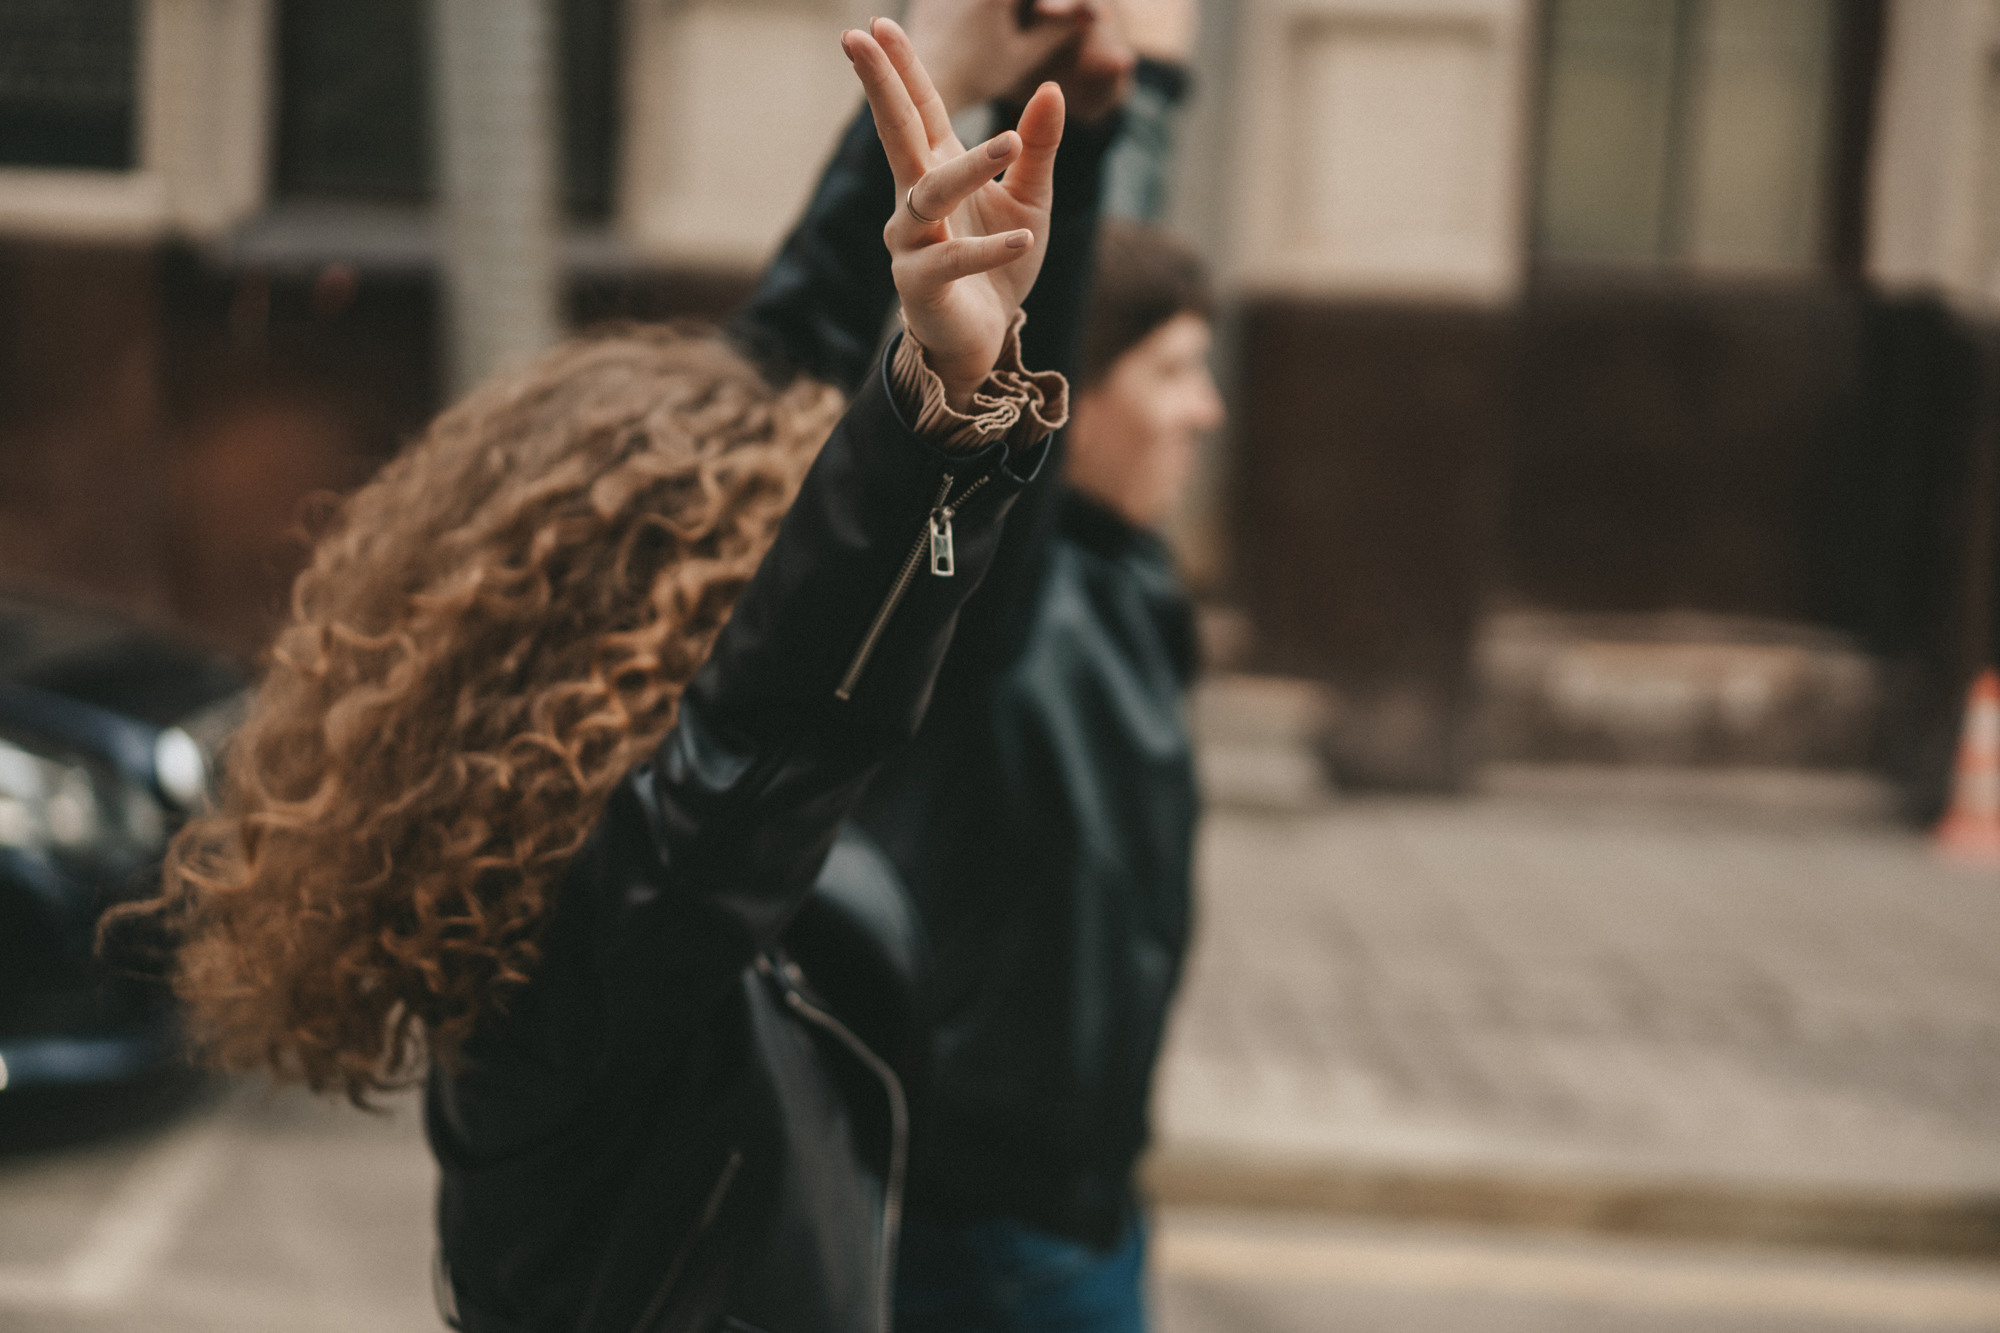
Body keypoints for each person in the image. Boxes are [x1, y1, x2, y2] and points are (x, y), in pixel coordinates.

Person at [104, 22, 1073, 1333]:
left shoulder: (537, 899)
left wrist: (949, 105)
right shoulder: (592, 952)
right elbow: (777, 717)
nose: (788, 568)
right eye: (767, 559)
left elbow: (766, 356)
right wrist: (937, 413)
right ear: (656, 627)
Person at [880, 218, 1223, 1333]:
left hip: (1080, 1202)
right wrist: (1091, 115)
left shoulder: (1122, 580)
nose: (1203, 410)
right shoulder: (998, 600)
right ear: (1069, 396)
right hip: (996, 1230)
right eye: (1170, 371)